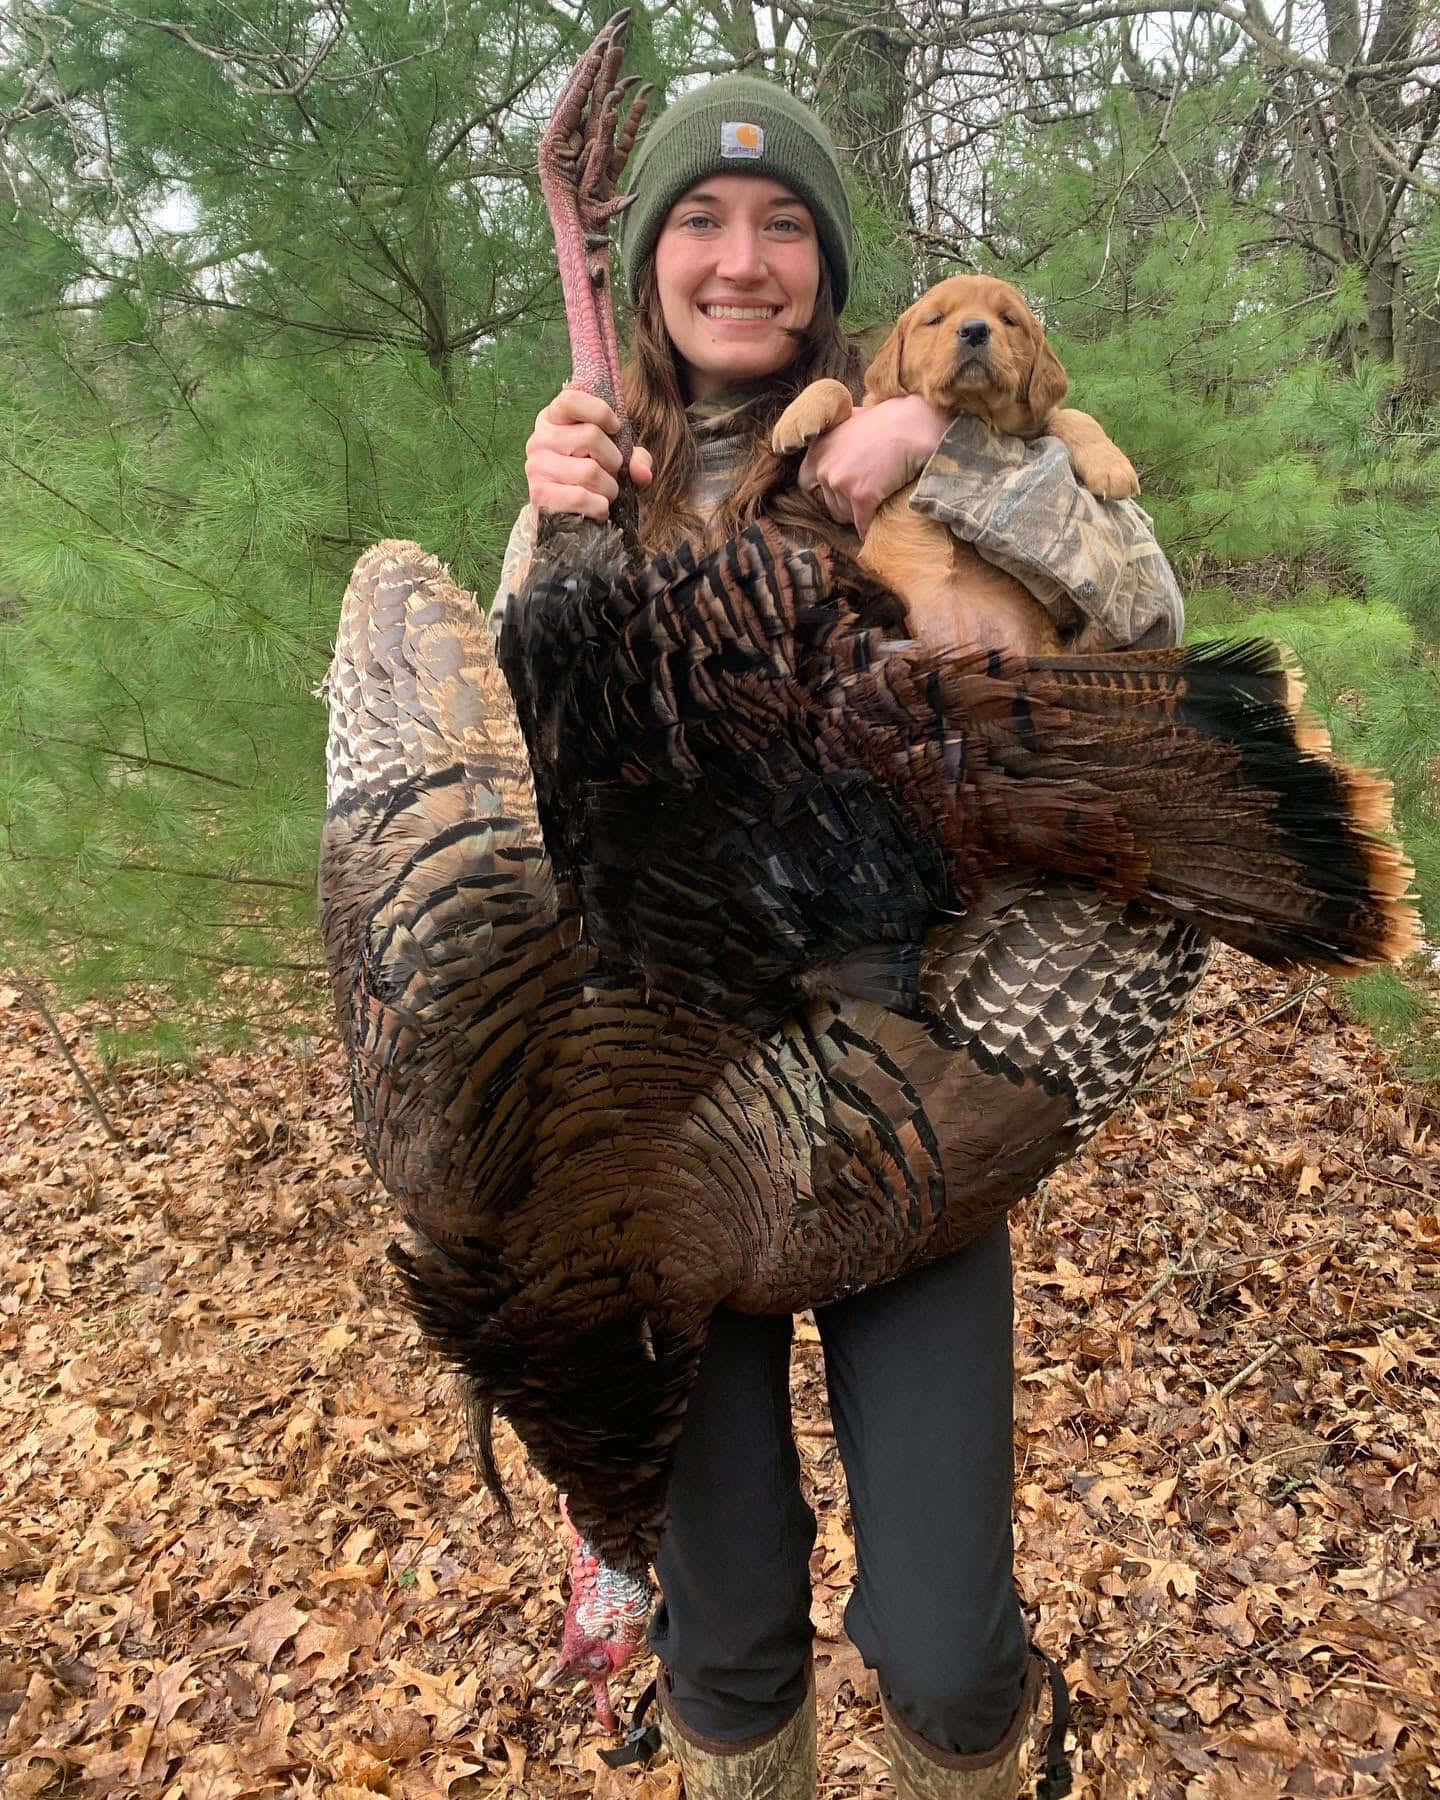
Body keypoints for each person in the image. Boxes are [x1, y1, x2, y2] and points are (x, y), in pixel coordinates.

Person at [492, 75, 1182, 1800]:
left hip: (913, 1087)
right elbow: (527, 769)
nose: (743, 261)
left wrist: (942, 449)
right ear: (646, 261)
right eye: (701, 226)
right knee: (723, 1638)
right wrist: (542, 536)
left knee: (949, 1650)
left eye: (783, 224)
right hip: (670, 1101)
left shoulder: (946, 413)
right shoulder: (593, 467)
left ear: (827, 260)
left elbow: (1153, 628)